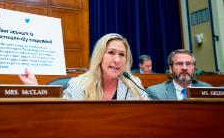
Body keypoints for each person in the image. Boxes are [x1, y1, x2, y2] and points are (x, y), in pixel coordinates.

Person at [20, 33, 148, 100]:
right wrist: (35, 89)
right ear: (99, 56)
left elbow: (148, 115)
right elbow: (57, 110)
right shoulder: (78, 84)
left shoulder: (133, 84)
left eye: (122, 54)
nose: (117, 60)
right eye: (111, 53)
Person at [146, 49, 212, 100]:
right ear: (171, 69)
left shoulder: (207, 89)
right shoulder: (156, 93)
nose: (184, 68)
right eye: (179, 64)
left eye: (188, 64)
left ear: (194, 68)